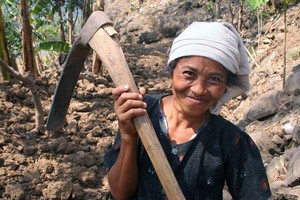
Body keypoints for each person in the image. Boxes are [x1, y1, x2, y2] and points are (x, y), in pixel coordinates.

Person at [104, 22, 272, 199]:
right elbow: (120, 193)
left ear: (225, 86)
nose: (199, 89)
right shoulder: (141, 112)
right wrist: (128, 136)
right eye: (189, 74)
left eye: (214, 79)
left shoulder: (232, 140)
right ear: (171, 72)